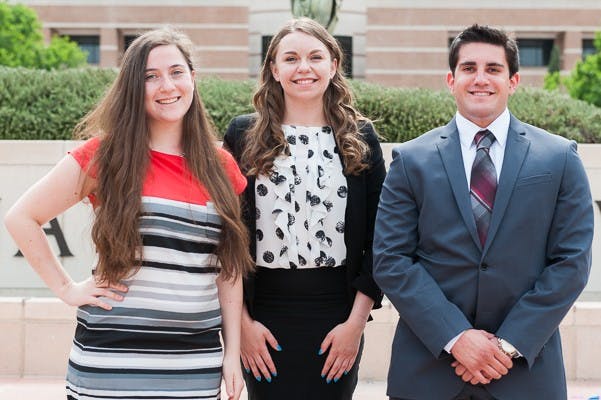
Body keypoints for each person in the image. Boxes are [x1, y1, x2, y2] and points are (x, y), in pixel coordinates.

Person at [4, 27, 252, 400]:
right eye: (150, 77)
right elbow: (21, 217)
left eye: (176, 72)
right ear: (134, 88)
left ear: (193, 79)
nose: (166, 85)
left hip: (192, 363)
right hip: (110, 360)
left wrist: (232, 354)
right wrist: (67, 289)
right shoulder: (106, 156)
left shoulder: (221, 167)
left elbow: (228, 273)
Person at [373, 24, 594, 400]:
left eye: (493, 69)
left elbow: (571, 262)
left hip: (525, 373)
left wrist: (507, 345)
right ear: (450, 78)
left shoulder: (559, 157)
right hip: (429, 371)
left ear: (513, 81)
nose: (480, 79)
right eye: (469, 68)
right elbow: (391, 259)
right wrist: (456, 338)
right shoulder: (411, 160)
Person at [222, 17, 385, 400]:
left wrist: (355, 325)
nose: (304, 68)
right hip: (262, 315)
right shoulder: (243, 134)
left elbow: (383, 238)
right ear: (274, 70)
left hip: (338, 316)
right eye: (291, 58)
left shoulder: (360, 137)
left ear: (333, 65)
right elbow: (225, 236)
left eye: (315, 57)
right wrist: (242, 326)